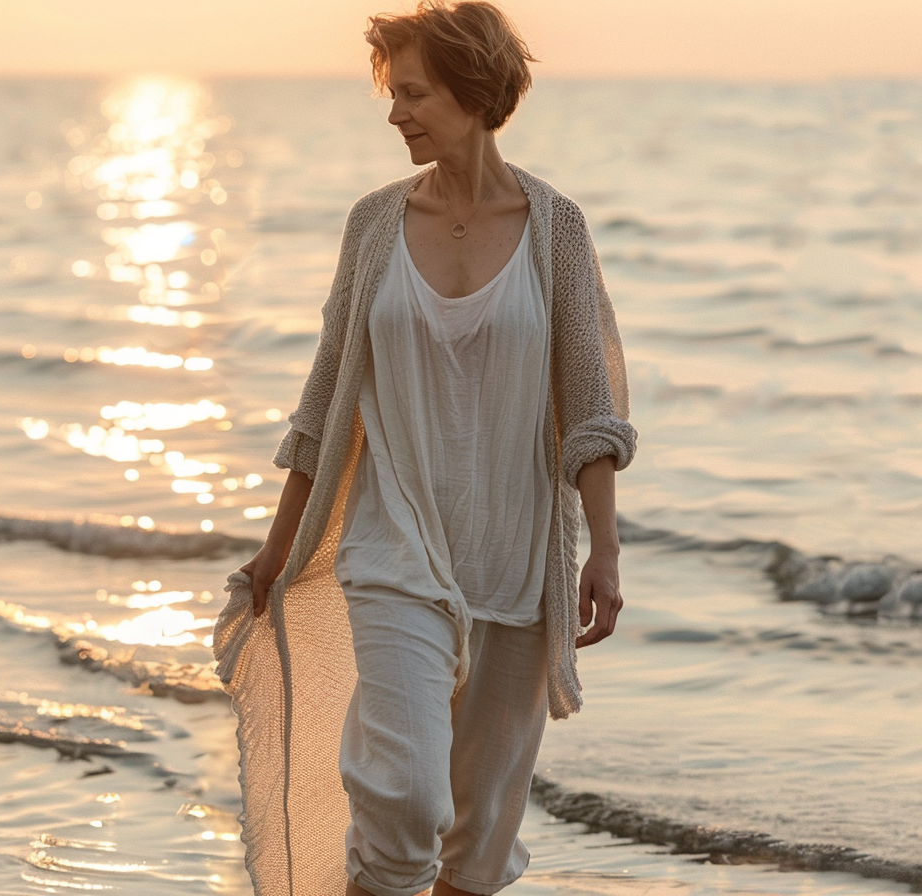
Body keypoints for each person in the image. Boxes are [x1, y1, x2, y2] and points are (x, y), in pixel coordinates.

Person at [211, 2, 638, 895]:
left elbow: (590, 407)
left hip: (516, 562)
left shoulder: (555, 229)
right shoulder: (374, 226)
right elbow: (323, 400)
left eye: (414, 93)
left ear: (475, 92)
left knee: (476, 847)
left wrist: (603, 547)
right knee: (404, 802)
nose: (396, 113)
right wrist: (278, 543)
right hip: (393, 545)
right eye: (393, 93)